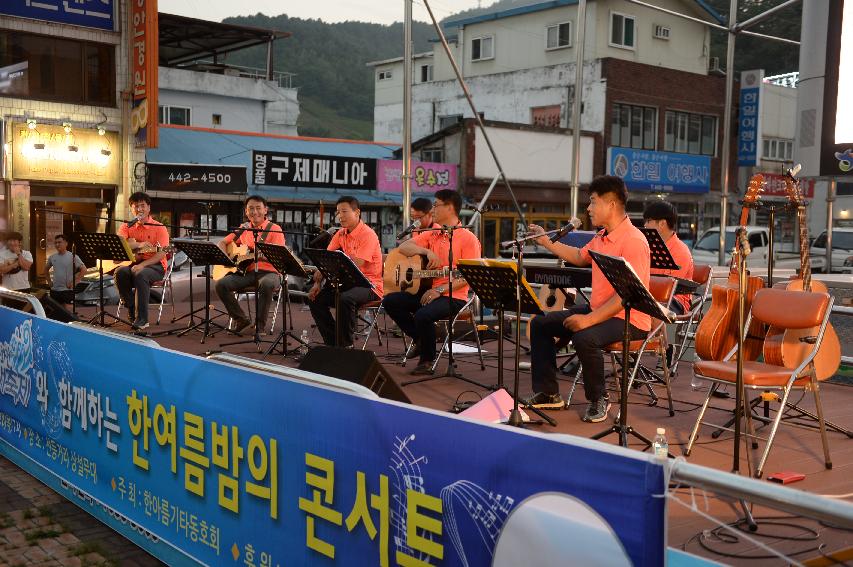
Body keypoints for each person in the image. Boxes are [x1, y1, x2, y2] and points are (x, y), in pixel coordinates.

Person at [525, 176, 651, 423]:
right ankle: (549, 394)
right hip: (601, 310)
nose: (588, 208)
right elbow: (580, 257)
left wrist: (588, 320)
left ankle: (599, 398)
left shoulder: (634, 241)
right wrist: (546, 242)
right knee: (540, 324)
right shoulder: (602, 236)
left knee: (585, 336)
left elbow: (625, 297)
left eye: (593, 202)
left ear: (611, 204)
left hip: (629, 317)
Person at [383, 189, 481, 375]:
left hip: (453, 295)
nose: (433, 209)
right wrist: (426, 252)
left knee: (422, 315)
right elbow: (404, 246)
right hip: (430, 290)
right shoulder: (433, 233)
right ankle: (421, 339)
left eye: (436, 205)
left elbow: (469, 275)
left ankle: (427, 359)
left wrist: (441, 289)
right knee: (390, 301)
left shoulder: (468, 239)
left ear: (450, 208)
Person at [308, 196, 383, 347]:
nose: (340, 216)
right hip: (348, 283)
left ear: (357, 212)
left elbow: (357, 264)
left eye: (344, 211)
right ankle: (334, 342)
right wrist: (317, 282)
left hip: (370, 285)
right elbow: (326, 258)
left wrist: (331, 267)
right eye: (337, 212)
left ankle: (346, 345)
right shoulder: (340, 233)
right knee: (314, 299)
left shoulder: (368, 234)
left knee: (344, 298)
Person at [215, 195, 285, 335]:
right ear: (246, 212)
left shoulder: (275, 229)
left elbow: (280, 255)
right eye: (251, 209)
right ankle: (241, 319)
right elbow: (222, 243)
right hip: (247, 272)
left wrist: (265, 255)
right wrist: (226, 258)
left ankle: (259, 326)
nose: (254, 212)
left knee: (267, 284)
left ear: (266, 210)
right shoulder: (243, 228)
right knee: (221, 284)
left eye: (258, 208)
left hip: (270, 272)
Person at [116, 192, 170, 330]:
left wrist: (142, 265)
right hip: (132, 263)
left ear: (148, 208)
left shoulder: (160, 228)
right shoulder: (126, 226)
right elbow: (119, 244)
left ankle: (142, 319)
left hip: (155, 266)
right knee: (120, 272)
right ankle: (131, 307)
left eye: (142, 206)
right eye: (136, 206)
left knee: (142, 274)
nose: (139, 209)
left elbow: (161, 252)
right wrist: (137, 245)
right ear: (131, 209)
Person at [642, 200, 694, 315]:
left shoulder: (681, 251)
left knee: (643, 307)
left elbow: (668, 288)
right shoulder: (649, 245)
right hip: (652, 296)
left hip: (675, 300)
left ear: (662, 224)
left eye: (648, 221)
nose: (645, 225)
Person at [46, 234, 87, 304]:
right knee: (55, 311)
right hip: (54, 290)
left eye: (59, 242)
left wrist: (75, 282)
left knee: (67, 311)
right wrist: (49, 281)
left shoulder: (73, 256)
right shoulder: (52, 257)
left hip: (67, 290)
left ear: (66, 243)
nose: (57, 244)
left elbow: (84, 269)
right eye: (55, 243)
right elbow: (46, 270)